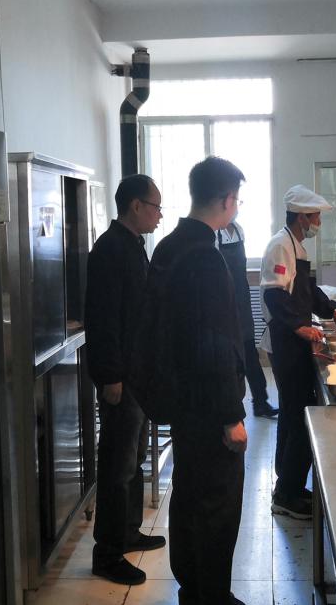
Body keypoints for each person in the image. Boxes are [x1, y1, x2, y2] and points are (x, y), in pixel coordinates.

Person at [144, 156, 249, 605]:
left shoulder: (168, 247)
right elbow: (214, 342)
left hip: (181, 400)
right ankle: (211, 595)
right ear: (225, 200)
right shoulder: (205, 257)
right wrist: (231, 416)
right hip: (208, 406)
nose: (236, 207)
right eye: (236, 200)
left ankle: (193, 589)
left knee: (188, 494)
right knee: (217, 506)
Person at [85, 174, 166, 585]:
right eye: (155, 207)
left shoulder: (134, 245)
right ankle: (107, 553)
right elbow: (102, 320)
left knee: (133, 460)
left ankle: (129, 531)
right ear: (135, 205)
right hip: (121, 377)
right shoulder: (109, 249)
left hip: (138, 374)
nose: (159, 215)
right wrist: (111, 376)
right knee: (117, 465)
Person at [260, 185, 336, 520]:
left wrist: (333, 311)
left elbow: (307, 291)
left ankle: (289, 485)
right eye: (315, 217)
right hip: (285, 343)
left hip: (294, 341)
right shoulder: (280, 245)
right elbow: (273, 295)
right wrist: (299, 327)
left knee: (294, 415)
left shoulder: (295, 245)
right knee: (298, 416)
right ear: (301, 217)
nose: (318, 223)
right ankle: (286, 495)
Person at [217, 220, 280, 418]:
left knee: (250, 354)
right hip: (224, 301)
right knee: (231, 357)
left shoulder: (238, 229)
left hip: (242, 300)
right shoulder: (214, 233)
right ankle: (231, 409)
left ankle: (260, 402)